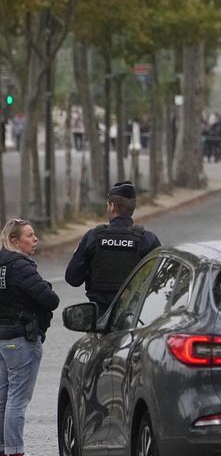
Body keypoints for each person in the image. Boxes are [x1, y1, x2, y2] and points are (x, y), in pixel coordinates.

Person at [0, 219, 60, 456]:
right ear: (14, 241)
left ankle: (3, 449)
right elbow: (50, 300)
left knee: (3, 398)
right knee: (17, 399)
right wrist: (47, 286)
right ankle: (15, 450)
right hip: (21, 338)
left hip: (2, 339)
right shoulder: (20, 266)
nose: (35, 239)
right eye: (29, 235)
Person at [65, 182, 162, 315]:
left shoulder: (93, 237)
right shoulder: (148, 240)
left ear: (112, 207)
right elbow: (158, 281)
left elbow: (73, 278)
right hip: (135, 317)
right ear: (132, 209)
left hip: (100, 317)